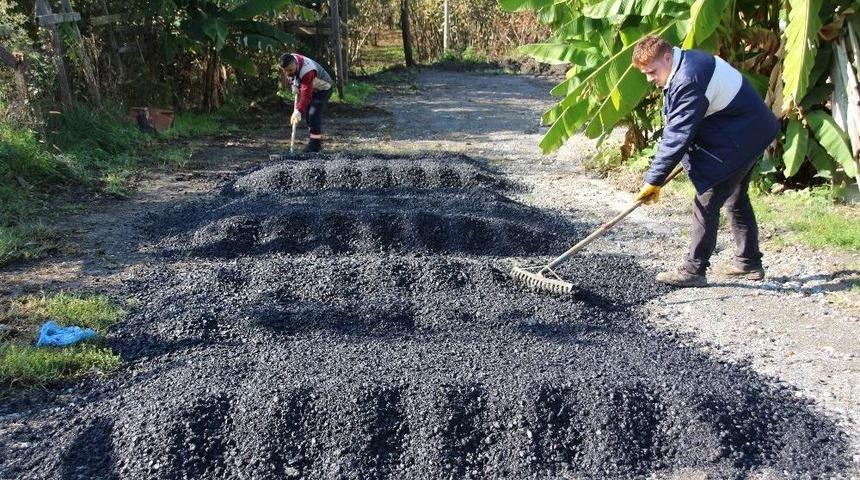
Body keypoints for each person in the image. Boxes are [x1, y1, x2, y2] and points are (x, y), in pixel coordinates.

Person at [631, 35, 780, 287]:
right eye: (645, 73)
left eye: (652, 71)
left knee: (705, 202)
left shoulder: (688, 79)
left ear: (667, 57)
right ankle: (749, 262)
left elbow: (678, 135)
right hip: (752, 130)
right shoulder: (686, 62)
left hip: (744, 137)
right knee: (736, 198)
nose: (650, 79)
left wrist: (653, 180)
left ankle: (693, 270)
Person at [280, 53, 334, 153]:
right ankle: (313, 141)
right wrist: (294, 85)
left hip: (323, 88)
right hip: (312, 88)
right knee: (309, 116)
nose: (288, 73)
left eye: (290, 70)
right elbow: (293, 76)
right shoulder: (290, 60)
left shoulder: (307, 71)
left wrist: (298, 110)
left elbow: (306, 95)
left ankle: (315, 146)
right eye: (286, 71)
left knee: (313, 114)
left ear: (295, 63)